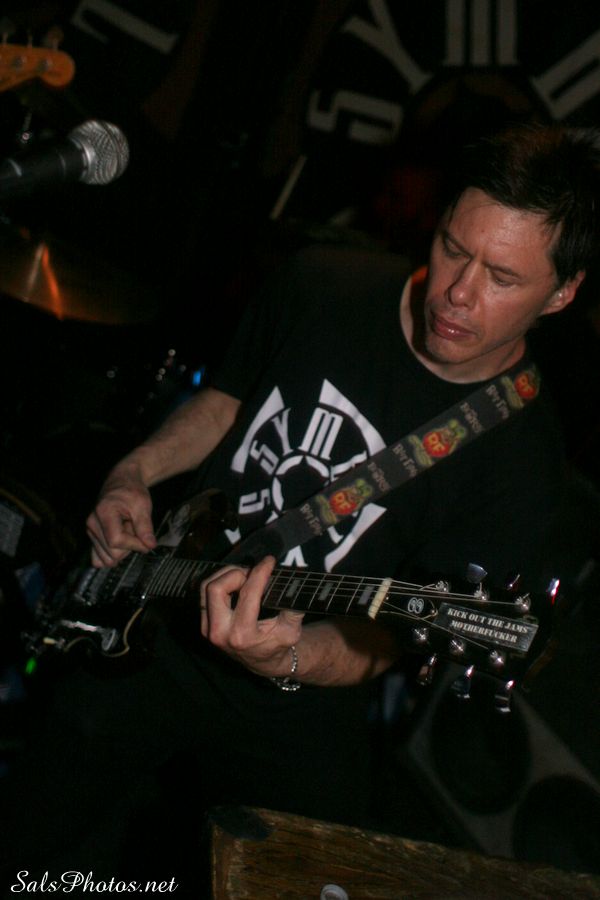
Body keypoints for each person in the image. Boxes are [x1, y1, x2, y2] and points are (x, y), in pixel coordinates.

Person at [2, 122, 599, 892]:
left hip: (298, 692)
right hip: (155, 614)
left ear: (563, 292)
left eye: (503, 277)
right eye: (454, 248)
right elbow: (228, 399)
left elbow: (392, 638)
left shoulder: (523, 460)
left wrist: (285, 656)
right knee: (31, 847)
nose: (458, 292)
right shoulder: (323, 282)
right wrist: (133, 473)